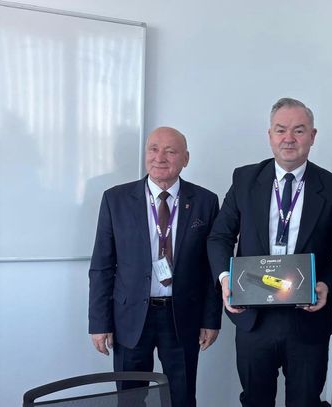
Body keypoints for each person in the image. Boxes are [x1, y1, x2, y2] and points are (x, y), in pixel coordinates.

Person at [207, 98, 332, 407]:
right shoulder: (244, 179)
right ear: (270, 135)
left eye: (298, 130)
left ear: (312, 136)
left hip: (307, 319)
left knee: (306, 401)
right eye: (281, 129)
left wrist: (328, 285)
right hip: (253, 317)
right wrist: (225, 279)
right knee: (255, 400)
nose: (289, 138)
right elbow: (219, 237)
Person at [89, 127, 222, 407]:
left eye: (170, 151)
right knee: (129, 399)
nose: (160, 157)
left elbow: (211, 267)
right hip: (130, 317)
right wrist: (99, 323)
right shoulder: (116, 199)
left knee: (181, 397)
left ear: (185, 158)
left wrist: (211, 319)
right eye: (153, 149)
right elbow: (102, 265)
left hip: (182, 315)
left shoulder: (205, 201)